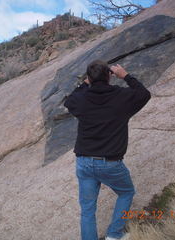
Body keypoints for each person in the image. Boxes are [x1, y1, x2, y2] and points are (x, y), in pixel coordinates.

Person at [63, 60, 151, 240]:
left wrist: (85, 83)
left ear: (89, 78)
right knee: (126, 192)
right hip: (110, 163)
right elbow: (144, 94)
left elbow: (69, 101)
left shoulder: (81, 99)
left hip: (84, 162)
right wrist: (125, 75)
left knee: (87, 210)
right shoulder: (122, 96)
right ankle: (114, 235)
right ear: (110, 76)